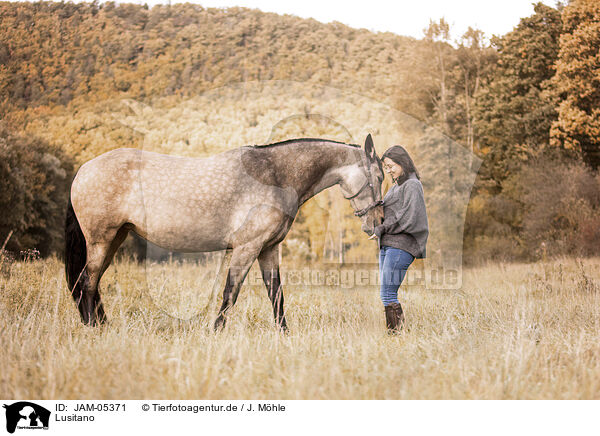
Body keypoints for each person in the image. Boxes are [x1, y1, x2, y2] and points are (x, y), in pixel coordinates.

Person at [370, 145, 428, 334]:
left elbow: (408, 217)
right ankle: (396, 335)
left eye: (391, 166)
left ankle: (396, 335)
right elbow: (389, 213)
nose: (388, 171)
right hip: (387, 244)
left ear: (403, 162)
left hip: (402, 245)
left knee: (387, 294)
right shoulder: (396, 186)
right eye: (385, 167)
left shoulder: (412, 185)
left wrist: (382, 228)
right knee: (386, 293)